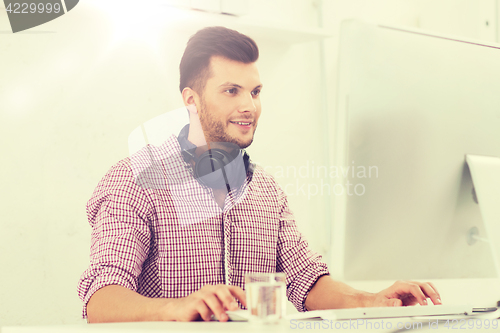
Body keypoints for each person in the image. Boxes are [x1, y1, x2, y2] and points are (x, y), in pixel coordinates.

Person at [77, 26, 442, 323]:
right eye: (231, 91)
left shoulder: (265, 189)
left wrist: (373, 301)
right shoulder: (134, 180)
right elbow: (101, 298)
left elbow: (306, 280)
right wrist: (174, 308)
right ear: (191, 99)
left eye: (255, 91)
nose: (248, 106)